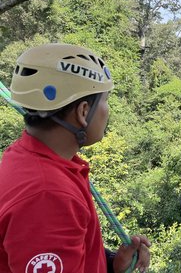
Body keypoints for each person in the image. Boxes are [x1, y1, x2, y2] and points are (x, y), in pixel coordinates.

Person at [0, 43, 151, 273]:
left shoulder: (28, 156)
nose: (107, 110)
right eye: (105, 100)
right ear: (82, 112)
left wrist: (110, 264)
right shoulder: (48, 196)